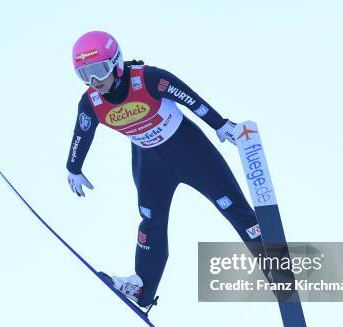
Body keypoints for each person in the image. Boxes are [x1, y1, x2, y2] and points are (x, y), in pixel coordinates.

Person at [66, 31, 262, 308]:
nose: (94, 81)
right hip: (150, 163)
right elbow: (81, 134)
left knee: (230, 205)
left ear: (117, 63)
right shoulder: (91, 103)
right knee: (151, 221)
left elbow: (191, 99)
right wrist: (73, 168)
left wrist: (221, 125)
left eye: (98, 70)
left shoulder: (148, 79)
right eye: (84, 74)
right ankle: (141, 289)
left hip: (190, 151)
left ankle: (269, 255)